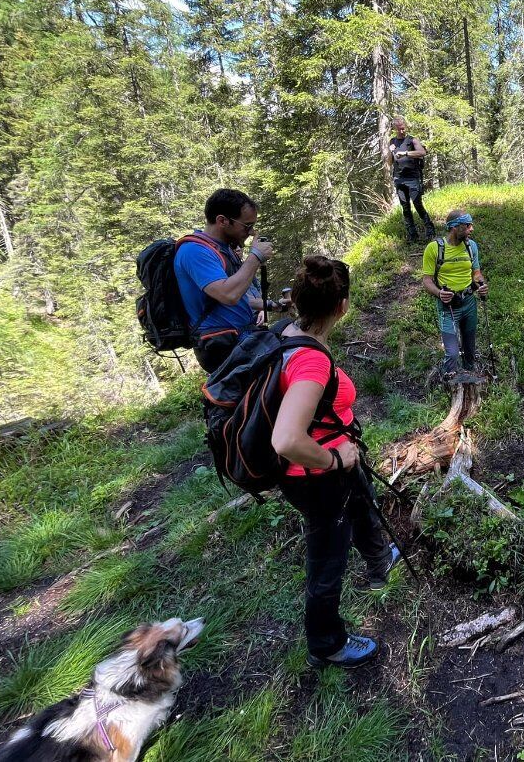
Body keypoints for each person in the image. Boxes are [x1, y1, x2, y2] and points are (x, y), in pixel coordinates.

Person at [270, 256, 400, 670]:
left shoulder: (288, 333)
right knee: (328, 558)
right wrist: (332, 458)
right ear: (343, 305)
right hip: (316, 476)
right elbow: (287, 438)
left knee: (363, 503)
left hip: (338, 465)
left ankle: (380, 561)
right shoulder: (311, 360)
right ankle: (326, 643)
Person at [174, 189, 281, 372]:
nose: (251, 232)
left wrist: (270, 305)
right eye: (247, 226)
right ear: (222, 221)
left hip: (239, 337)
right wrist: (256, 256)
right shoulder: (195, 251)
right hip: (220, 344)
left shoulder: (224, 248)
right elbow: (228, 295)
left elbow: (236, 296)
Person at [421, 208, 489, 383]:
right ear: (454, 227)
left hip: (469, 302)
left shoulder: (471, 246)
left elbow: (476, 273)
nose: (471, 229)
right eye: (467, 226)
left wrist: (481, 284)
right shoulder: (434, 248)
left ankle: (470, 382)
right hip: (448, 307)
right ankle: (448, 384)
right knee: (452, 353)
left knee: (469, 348)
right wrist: (439, 293)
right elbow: (427, 280)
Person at [386, 116, 436, 242]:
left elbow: (422, 152)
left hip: (413, 178)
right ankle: (412, 235)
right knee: (405, 207)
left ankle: (430, 229)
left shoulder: (412, 140)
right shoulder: (392, 141)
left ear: (405, 127)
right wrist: (390, 152)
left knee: (417, 204)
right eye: (399, 129)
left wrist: (406, 153)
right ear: (394, 129)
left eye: (403, 128)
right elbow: (389, 162)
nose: (402, 131)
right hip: (399, 178)